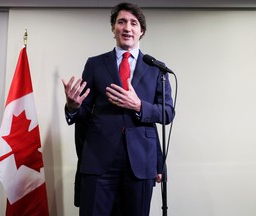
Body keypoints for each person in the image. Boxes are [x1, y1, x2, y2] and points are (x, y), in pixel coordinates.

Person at [62, 2, 175, 216]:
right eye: (121, 22)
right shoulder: (95, 64)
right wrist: (73, 106)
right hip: (99, 159)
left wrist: (139, 105)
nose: (127, 27)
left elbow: (168, 112)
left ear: (142, 31)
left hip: (140, 162)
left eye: (133, 23)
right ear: (113, 28)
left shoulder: (156, 69)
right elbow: (84, 111)